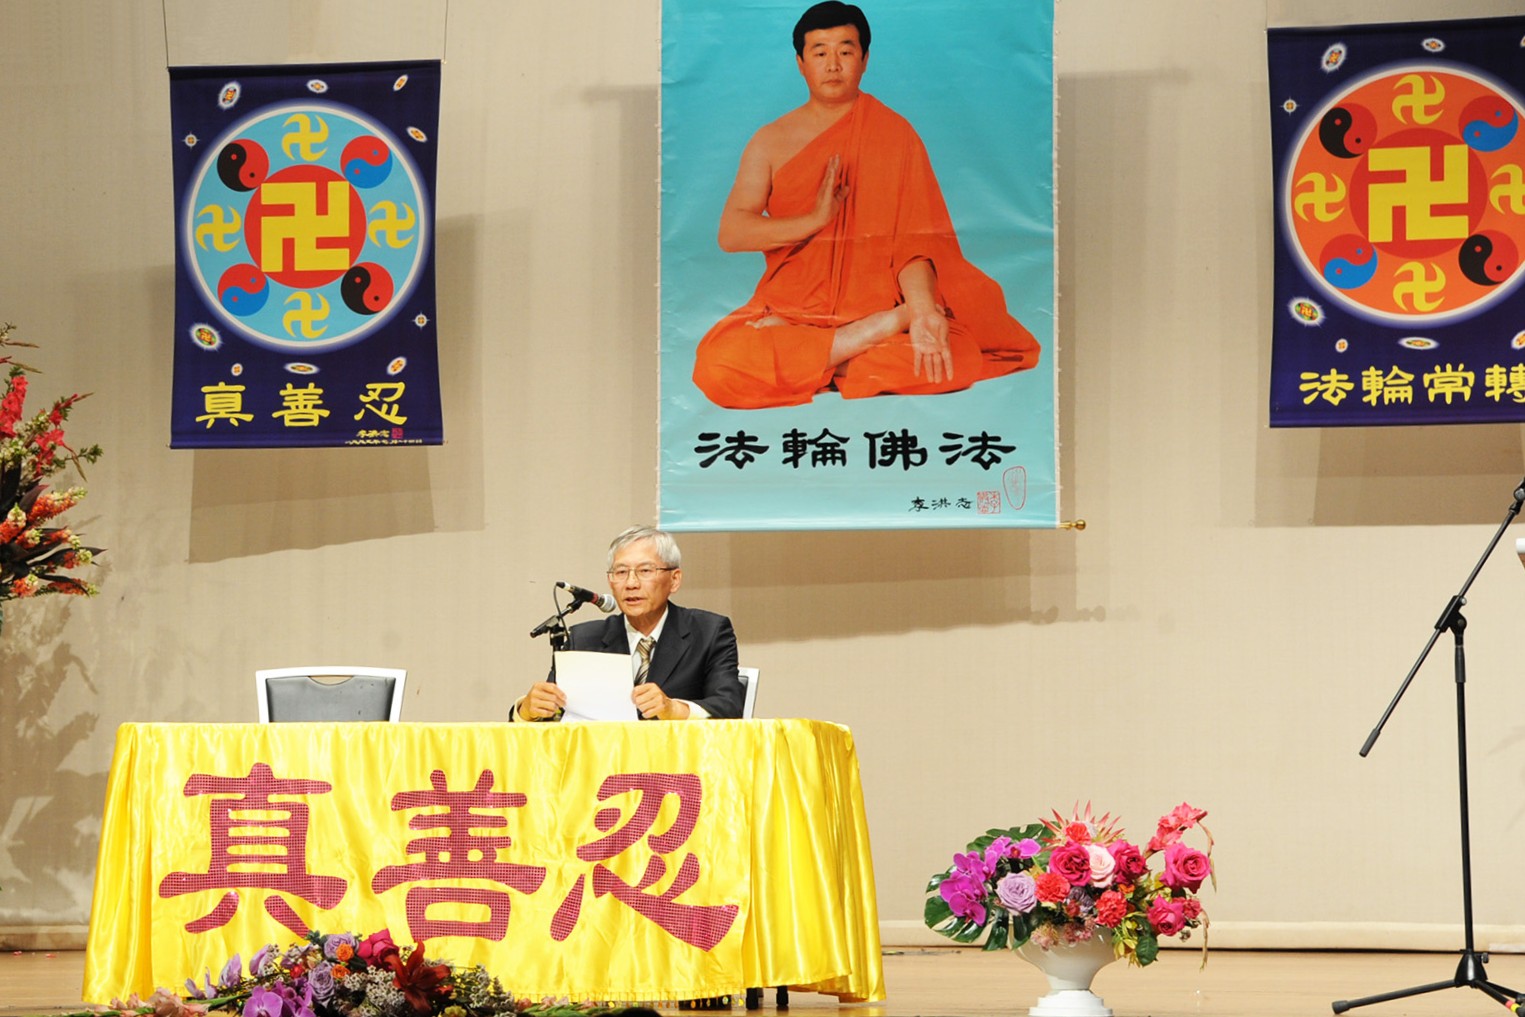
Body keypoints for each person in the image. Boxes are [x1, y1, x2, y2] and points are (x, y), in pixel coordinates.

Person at [690, 1, 1042, 410]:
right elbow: (732, 233)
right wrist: (814, 219)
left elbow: (916, 243)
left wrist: (921, 311)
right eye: (820, 52)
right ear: (800, 63)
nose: (833, 64)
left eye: (845, 51)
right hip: (793, 310)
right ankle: (856, 346)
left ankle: (813, 357)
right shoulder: (770, 141)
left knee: (959, 357)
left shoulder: (895, 134)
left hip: (878, 307)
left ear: (865, 59)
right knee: (716, 365)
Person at [513, 526, 744, 721]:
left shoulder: (708, 631)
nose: (631, 583)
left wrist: (675, 709)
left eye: (645, 571)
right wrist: (527, 710)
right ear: (610, 581)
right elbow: (553, 715)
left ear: (674, 580)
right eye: (621, 572)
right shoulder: (584, 639)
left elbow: (729, 706)